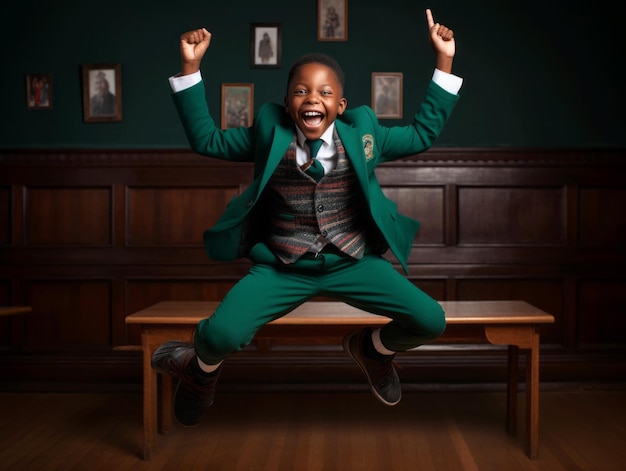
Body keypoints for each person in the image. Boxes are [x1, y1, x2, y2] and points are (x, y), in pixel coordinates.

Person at [152, 8, 462, 427]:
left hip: (352, 260)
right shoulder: (268, 131)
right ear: (287, 103)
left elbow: (423, 133)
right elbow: (207, 139)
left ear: (341, 105)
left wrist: (444, 61)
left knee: (430, 320)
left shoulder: (366, 131)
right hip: (284, 264)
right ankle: (198, 372)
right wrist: (190, 67)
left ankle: (373, 350)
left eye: (325, 92)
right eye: (301, 91)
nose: (313, 98)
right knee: (221, 336)